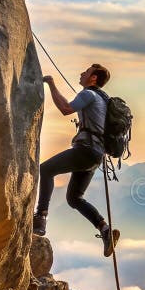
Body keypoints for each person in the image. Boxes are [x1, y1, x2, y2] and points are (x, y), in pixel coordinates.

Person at [32, 63, 120, 257]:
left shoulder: (88, 95)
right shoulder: (103, 99)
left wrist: (51, 84)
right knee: (74, 198)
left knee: (46, 170)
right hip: (95, 156)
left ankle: (40, 217)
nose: (82, 73)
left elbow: (65, 108)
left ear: (94, 78)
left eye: (87, 72)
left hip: (85, 151)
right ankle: (105, 230)